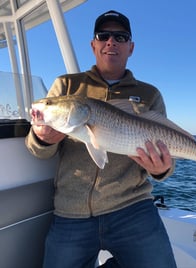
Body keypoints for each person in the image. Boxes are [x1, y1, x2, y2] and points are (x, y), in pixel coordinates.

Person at [26, 10, 177, 268]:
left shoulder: (149, 94)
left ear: (131, 47)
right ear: (93, 44)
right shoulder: (66, 86)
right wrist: (43, 139)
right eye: (103, 35)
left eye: (120, 36)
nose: (111, 41)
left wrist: (163, 169)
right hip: (71, 212)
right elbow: (38, 150)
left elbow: (166, 157)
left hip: (133, 208)